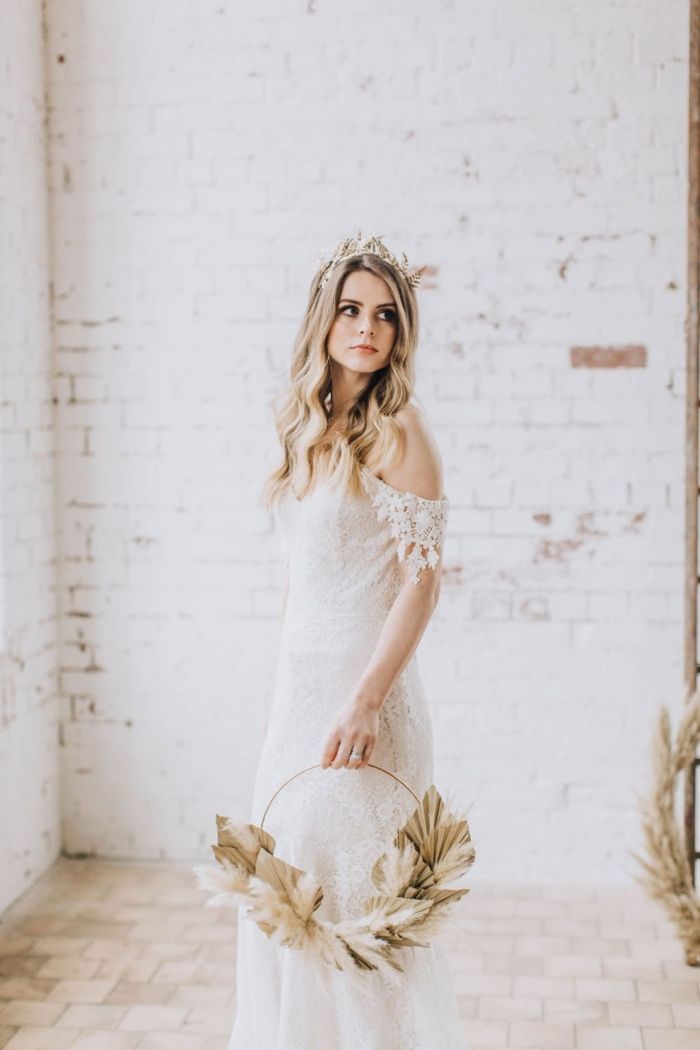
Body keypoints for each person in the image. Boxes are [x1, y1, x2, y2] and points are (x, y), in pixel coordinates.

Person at [228, 233, 467, 1049]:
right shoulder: (301, 425)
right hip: (298, 702)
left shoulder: (400, 430)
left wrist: (364, 700)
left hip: (367, 705)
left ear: (402, 334)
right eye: (352, 309)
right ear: (324, 319)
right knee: (286, 902)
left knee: (356, 919)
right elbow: (301, 577)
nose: (368, 327)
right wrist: (288, 691)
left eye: (387, 315)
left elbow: (422, 581)